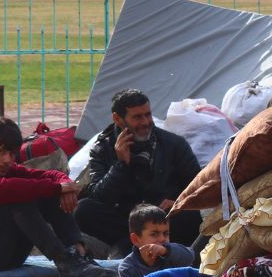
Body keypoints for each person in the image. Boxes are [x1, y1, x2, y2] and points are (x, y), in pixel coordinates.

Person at [0, 118, 113, 277]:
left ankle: (79, 256)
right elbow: (4, 189)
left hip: (6, 253)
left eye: (12, 154)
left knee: (45, 192)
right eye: (1, 152)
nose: (8, 160)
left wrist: (64, 184)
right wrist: (57, 188)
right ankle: (65, 261)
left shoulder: (4, 168)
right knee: (19, 195)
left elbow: (48, 176)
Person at [77, 89, 203, 255]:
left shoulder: (173, 144)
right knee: (84, 210)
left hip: (164, 220)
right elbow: (99, 196)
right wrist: (121, 164)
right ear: (118, 119)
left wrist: (178, 203)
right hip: (127, 220)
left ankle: (133, 247)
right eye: (137, 117)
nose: (145, 122)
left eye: (148, 115)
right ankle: (136, 244)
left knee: (192, 216)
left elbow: (198, 187)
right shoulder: (102, 149)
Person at [115, 204, 196, 277]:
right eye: (154, 234)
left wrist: (166, 251)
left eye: (166, 233)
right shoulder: (127, 268)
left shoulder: (171, 254)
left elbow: (190, 257)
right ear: (135, 239)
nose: (162, 239)